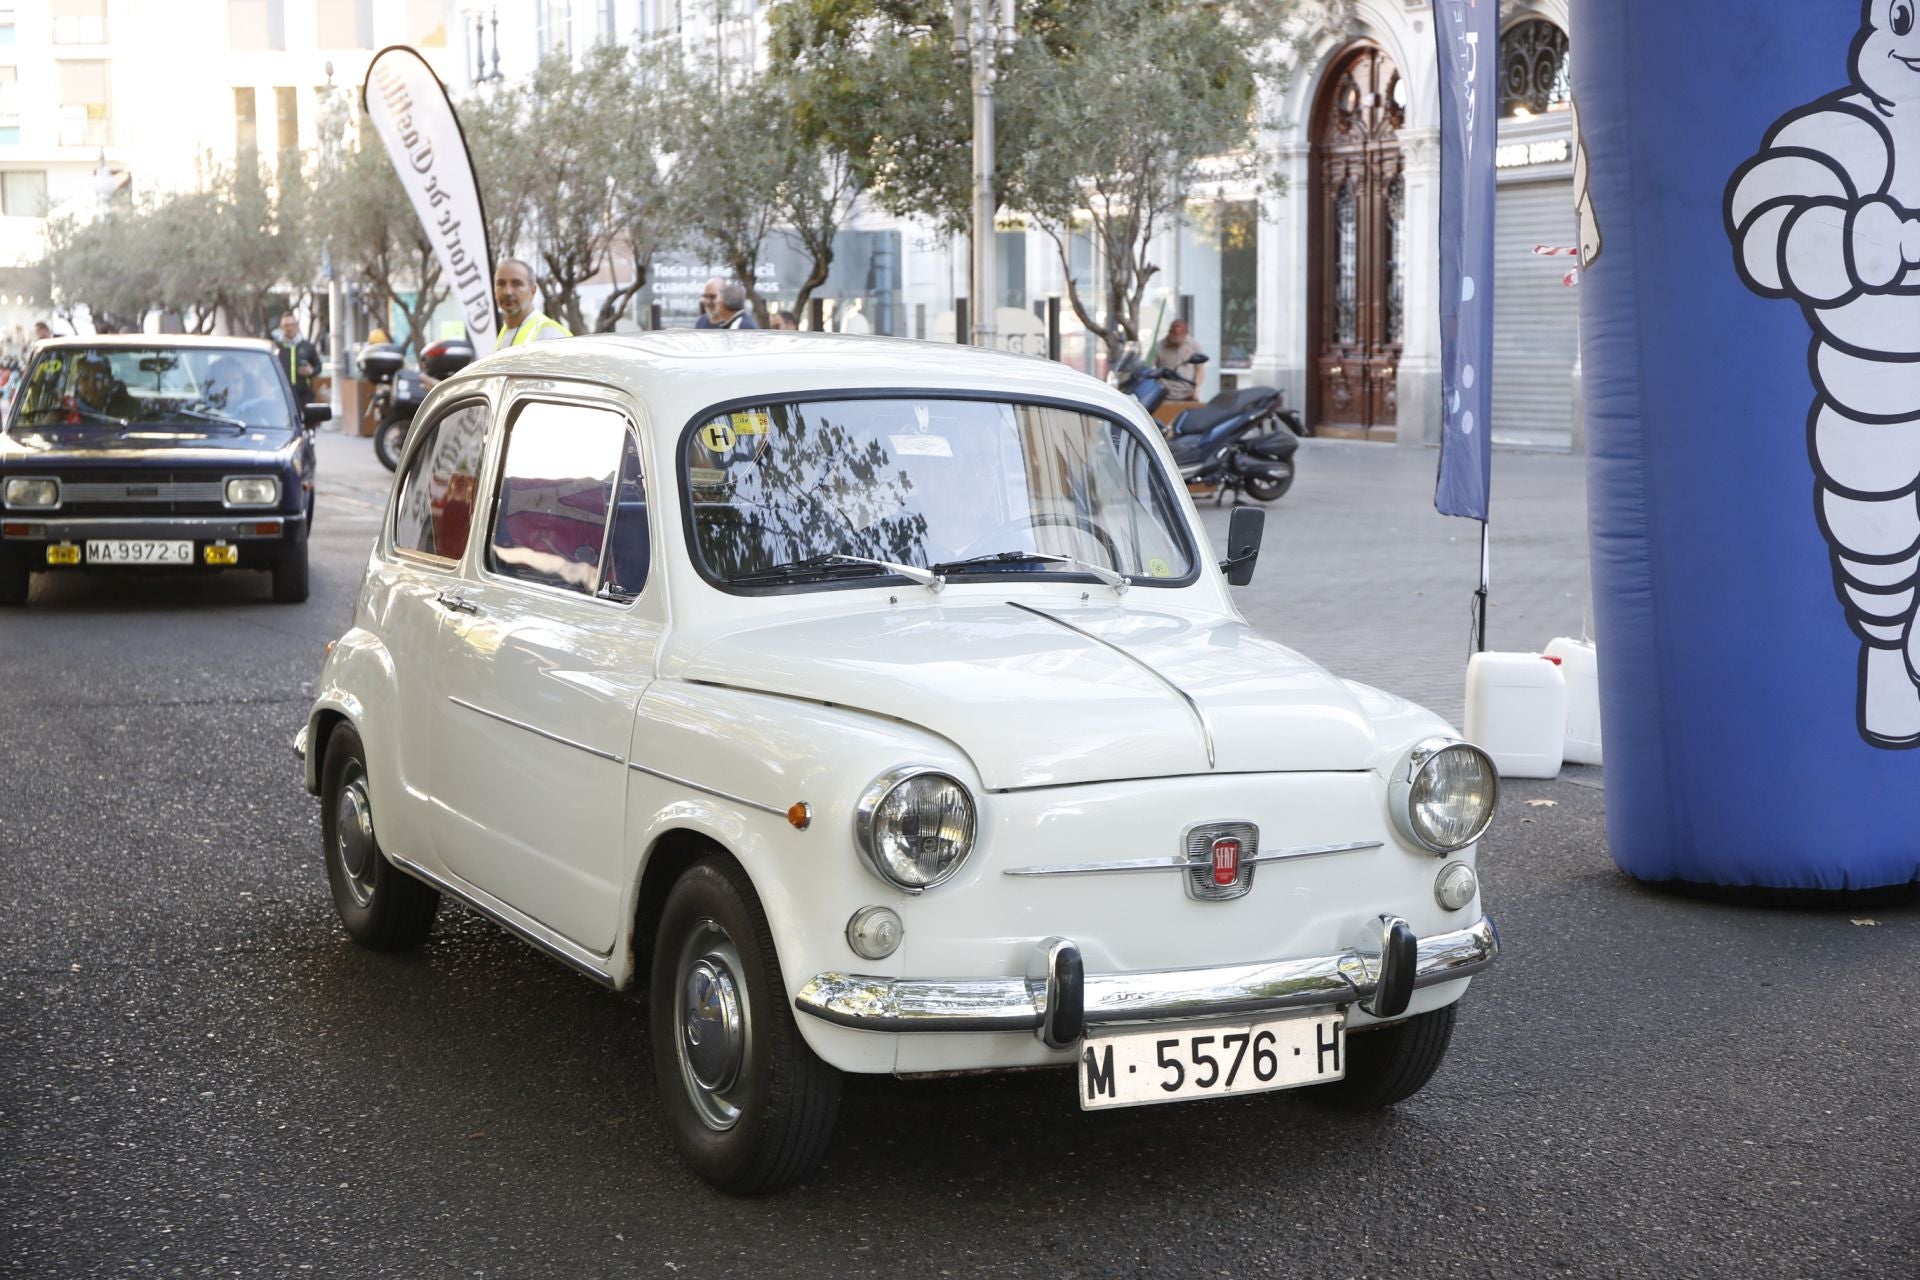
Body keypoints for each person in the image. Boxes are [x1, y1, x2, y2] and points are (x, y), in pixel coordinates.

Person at [493, 258, 572, 347]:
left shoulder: (549, 335)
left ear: (533, 291)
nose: (507, 292)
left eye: (517, 284)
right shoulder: (505, 332)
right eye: (501, 284)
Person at [67, 351, 138, 421]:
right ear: (77, 382)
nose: (91, 384)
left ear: (109, 382)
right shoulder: (67, 408)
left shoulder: (130, 408)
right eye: (85, 377)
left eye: (98, 378)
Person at [275, 311, 320, 406]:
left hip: (304, 395)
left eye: (292, 325)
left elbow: (318, 367)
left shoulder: (307, 346)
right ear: (281, 327)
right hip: (281, 395)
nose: (289, 328)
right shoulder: (276, 347)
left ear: (296, 325)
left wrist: (310, 371)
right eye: (286, 325)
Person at [1155, 319, 1206, 401]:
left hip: (1187, 393)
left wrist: (1197, 387)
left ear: (1186, 334)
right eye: (1174, 335)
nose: (1177, 338)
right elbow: (1152, 368)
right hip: (1164, 393)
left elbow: (1200, 369)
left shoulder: (1194, 345)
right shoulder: (1159, 346)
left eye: (1180, 336)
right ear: (1169, 332)